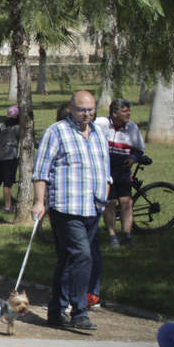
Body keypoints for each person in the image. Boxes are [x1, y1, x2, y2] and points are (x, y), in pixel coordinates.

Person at [31, 90, 111, 331]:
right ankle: (79, 311)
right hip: (66, 208)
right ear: (70, 108)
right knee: (82, 255)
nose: (86, 114)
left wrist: (104, 197)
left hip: (93, 207)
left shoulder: (98, 134)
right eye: (81, 109)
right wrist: (39, 202)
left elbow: (105, 171)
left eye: (90, 109)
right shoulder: (56, 132)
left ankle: (55, 313)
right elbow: (40, 171)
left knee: (68, 259)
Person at [94, 98, 144, 248]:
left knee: (127, 202)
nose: (128, 114)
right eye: (125, 111)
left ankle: (127, 236)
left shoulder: (132, 128)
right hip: (105, 172)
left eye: (129, 111)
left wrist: (132, 158)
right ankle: (112, 236)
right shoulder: (100, 124)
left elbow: (139, 149)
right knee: (110, 203)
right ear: (114, 113)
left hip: (122, 172)